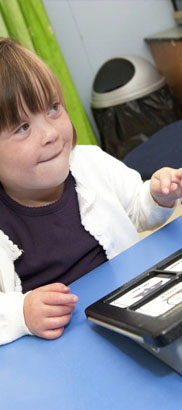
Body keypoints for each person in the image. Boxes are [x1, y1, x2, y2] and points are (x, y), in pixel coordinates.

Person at [0, 37, 182, 345]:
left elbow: (137, 210)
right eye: (22, 127)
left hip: (135, 310)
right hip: (62, 346)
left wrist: (156, 196)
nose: (49, 134)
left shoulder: (90, 163)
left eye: (53, 109)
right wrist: (22, 313)